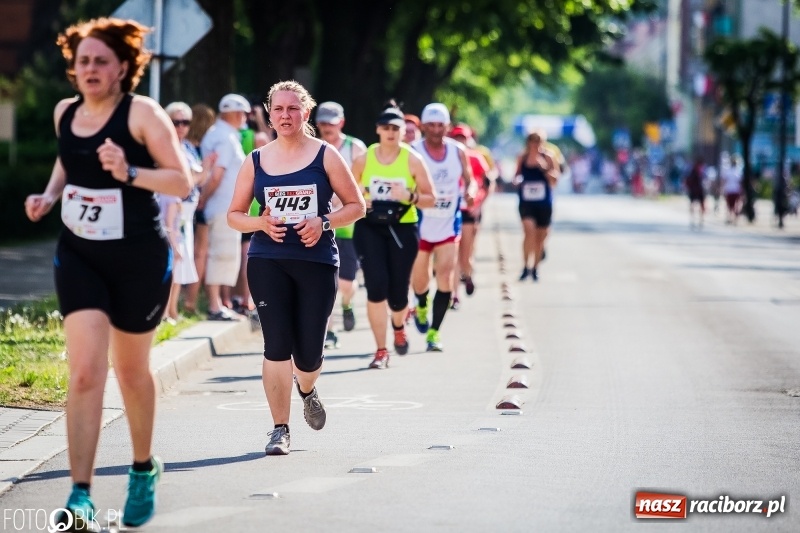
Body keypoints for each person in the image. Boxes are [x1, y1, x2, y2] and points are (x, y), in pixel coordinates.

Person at [23, 17, 192, 529]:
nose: (90, 69)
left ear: (123, 67)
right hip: (80, 256)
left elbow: (181, 182)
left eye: (101, 60)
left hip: (139, 259)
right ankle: (80, 493)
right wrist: (49, 196)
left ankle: (143, 469)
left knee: (132, 372)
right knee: (85, 371)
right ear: (73, 70)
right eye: (83, 62)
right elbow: (67, 161)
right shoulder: (64, 112)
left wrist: (130, 172)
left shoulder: (142, 114)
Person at [227, 80, 365, 455]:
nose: (285, 115)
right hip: (266, 260)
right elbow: (234, 215)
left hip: (316, 261)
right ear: (269, 115)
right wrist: (260, 223)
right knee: (276, 346)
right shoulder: (255, 159)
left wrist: (322, 223)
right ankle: (279, 429)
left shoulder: (326, 155)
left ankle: (307, 388)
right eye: (278, 109)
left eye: (292, 109)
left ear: (306, 112)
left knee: (308, 354)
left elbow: (356, 206)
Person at [351, 102, 436, 369]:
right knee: (376, 287)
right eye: (386, 128)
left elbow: (431, 199)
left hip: (402, 228)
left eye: (396, 129)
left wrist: (409, 196)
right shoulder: (364, 158)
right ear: (377, 130)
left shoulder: (412, 159)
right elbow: (346, 191)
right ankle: (380, 350)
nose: (390, 133)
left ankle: (399, 324)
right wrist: (362, 198)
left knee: (398, 293)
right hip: (369, 227)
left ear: (403, 131)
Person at [410, 103, 474, 351]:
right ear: (424, 127)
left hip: (449, 222)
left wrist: (469, 193)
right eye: (432, 126)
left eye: (441, 126)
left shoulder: (458, 151)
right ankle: (421, 302)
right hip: (420, 223)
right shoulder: (414, 151)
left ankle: (434, 332)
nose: (436, 130)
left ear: (447, 127)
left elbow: (469, 181)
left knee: (446, 275)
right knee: (420, 277)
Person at [315, 101, 368, 343]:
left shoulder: (355, 148)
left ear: (341, 123)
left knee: (346, 284)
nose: (326, 127)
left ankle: (347, 304)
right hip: (319, 223)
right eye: (322, 122)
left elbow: (366, 183)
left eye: (331, 123)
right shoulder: (312, 148)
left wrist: (347, 198)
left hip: (348, 225)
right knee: (325, 282)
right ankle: (329, 330)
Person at [163, 101, 216, 321]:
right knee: (173, 260)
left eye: (186, 122)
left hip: (186, 211)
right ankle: (166, 311)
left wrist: (205, 169)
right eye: (176, 122)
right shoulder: (165, 147)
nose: (182, 127)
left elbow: (196, 180)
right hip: (170, 209)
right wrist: (204, 170)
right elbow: (182, 182)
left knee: (181, 261)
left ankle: (173, 310)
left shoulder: (186, 147)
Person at [200, 94, 250, 320]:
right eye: (242, 113)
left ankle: (220, 302)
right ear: (234, 114)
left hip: (222, 205)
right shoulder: (225, 137)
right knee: (220, 254)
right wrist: (203, 199)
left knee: (224, 254)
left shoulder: (223, 134)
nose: (244, 118)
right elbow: (217, 174)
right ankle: (214, 305)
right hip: (221, 205)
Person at [448, 123, 492, 308]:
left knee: (465, 255)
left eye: (463, 138)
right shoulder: (445, 157)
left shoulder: (475, 158)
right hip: (449, 211)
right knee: (453, 256)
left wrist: (479, 205)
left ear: (468, 139)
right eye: (456, 138)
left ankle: (468, 273)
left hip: (468, 211)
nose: (460, 141)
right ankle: (454, 294)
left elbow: (487, 184)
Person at [183, 103, 216, 314]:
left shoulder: (186, 146)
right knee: (200, 252)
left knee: (192, 251)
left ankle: (188, 301)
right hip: (197, 203)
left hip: (187, 203)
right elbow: (204, 176)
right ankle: (191, 301)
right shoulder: (203, 148)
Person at [514, 130, 559, 281]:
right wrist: (517, 181)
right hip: (527, 202)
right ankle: (525, 266)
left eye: (538, 141)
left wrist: (544, 168)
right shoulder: (522, 157)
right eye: (532, 140)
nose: (535, 144)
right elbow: (516, 175)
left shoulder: (549, 157)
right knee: (528, 232)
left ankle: (535, 268)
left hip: (544, 202)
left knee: (540, 238)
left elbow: (555, 180)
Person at [685, 156, 706, 229]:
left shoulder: (698, 170)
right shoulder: (695, 171)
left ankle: (699, 219)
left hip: (697, 190)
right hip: (696, 190)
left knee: (699, 205)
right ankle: (695, 219)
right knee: (695, 205)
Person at [721, 152, 743, 225]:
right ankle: (732, 219)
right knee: (733, 205)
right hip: (733, 190)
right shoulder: (738, 171)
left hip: (732, 190)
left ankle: (731, 218)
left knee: (732, 205)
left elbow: (724, 181)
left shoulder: (734, 171)